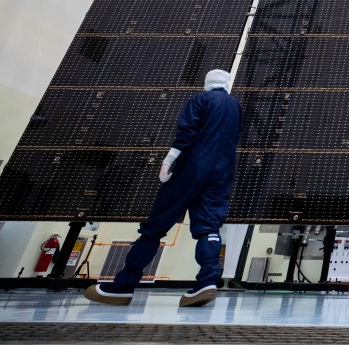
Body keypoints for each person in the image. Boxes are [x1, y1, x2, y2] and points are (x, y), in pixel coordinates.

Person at [85, 69, 243, 308]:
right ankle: (208, 280)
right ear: (227, 82)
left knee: (155, 228)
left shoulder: (200, 99)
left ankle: (123, 285)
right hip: (222, 171)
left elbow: (186, 133)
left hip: (191, 167)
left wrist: (169, 160)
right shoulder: (235, 106)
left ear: (207, 82)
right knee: (209, 226)